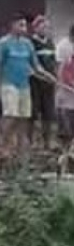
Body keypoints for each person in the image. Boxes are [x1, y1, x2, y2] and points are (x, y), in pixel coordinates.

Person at [0, 17, 42, 156]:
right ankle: (4, 145)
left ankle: (20, 147)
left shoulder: (28, 44)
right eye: (21, 25)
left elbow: (36, 66)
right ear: (12, 25)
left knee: (24, 116)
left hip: (24, 85)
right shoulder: (4, 43)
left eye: (25, 25)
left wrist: (48, 76)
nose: (24, 28)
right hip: (9, 84)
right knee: (11, 115)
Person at [28, 16, 56, 149]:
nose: (45, 30)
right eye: (42, 27)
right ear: (36, 27)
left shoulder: (50, 43)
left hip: (49, 83)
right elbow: (31, 64)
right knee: (33, 112)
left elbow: (54, 62)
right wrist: (40, 74)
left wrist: (54, 76)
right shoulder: (31, 42)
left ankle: (47, 142)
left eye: (47, 27)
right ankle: (30, 141)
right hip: (35, 82)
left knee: (48, 113)